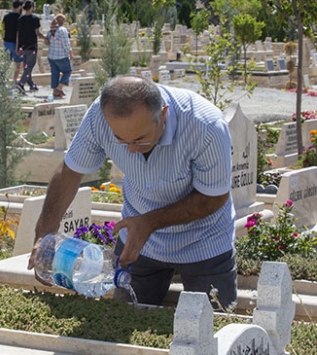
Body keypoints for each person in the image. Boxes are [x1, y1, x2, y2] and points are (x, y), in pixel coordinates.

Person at [28, 75, 237, 311]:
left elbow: (214, 197)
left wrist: (150, 222)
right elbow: (70, 172)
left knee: (211, 328)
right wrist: (44, 236)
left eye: (140, 139)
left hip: (204, 242)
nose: (131, 149)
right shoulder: (100, 115)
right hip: (138, 242)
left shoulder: (205, 125)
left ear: (164, 115)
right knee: (125, 319)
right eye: (120, 139)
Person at [16, 0, 45, 93]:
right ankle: (21, 83)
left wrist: (17, 47)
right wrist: (45, 37)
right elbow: (37, 32)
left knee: (26, 67)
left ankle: (32, 85)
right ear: (31, 7)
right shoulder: (35, 19)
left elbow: (18, 34)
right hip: (32, 46)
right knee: (29, 67)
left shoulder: (20, 19)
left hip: (23, 46)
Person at [46, 14, 72, 98]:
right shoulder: (62, 30)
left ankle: (55, 92)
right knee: (68, 71)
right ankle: (59, 87)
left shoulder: (50, 31)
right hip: (61, 56)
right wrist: (71, 53)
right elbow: (66, 44)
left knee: (55, 73)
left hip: (51, 56)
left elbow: (47, 42)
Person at [2, 0, 24, 82]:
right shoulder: (20, 18)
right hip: (15, 42)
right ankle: (15, 80)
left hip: (6, 41)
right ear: (19, 6)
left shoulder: (6, 16)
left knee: (6, 62)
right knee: (18, 63)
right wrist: (18, 46)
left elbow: (4, 29)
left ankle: (3, 79)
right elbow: (19, 33)